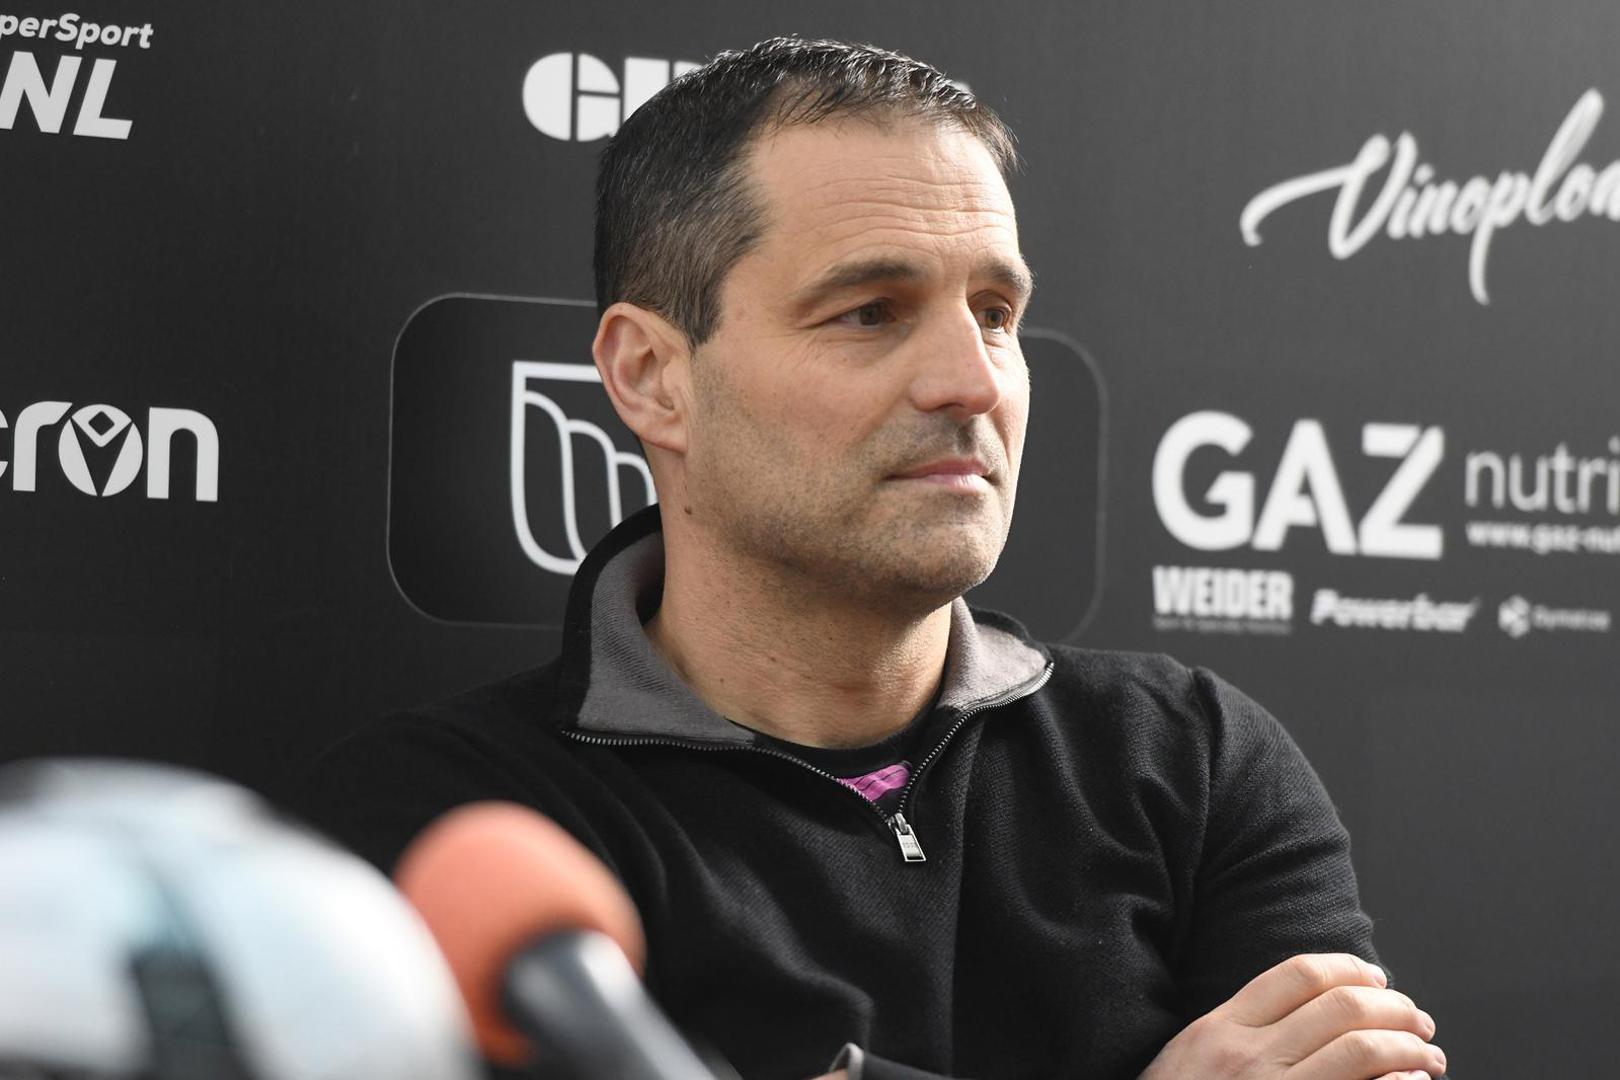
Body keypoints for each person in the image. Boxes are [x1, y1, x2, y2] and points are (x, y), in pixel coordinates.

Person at [301, 37, 1447, 1080]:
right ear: (651, 376)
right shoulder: (448, 824)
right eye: (869, 312)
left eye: (994, 311)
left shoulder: (1193, 760)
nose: (973, 382)